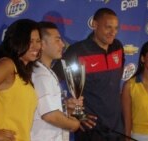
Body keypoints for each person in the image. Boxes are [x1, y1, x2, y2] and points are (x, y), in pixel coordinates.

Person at [53, 7, 125, 141]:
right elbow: (51, 79)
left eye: (116, 28)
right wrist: (75, 111)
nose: (113, 33)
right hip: (91, 130)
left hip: (117, 129)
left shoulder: (118, 47)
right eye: (108, 27)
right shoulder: (78, 51)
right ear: (95, 25)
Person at [31, 21, 85, 141]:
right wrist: (75, 124)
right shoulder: (41, 75)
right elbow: (50, 115)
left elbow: (44, 108)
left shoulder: (45, 72)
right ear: (42, 44)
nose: (63, 45)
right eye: (57, 40)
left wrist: (66, 106)